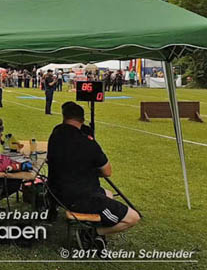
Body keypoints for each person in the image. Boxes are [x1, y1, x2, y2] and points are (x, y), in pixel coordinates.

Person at [48, 102, 140, 247]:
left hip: (56, 192)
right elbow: (107, 172)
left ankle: (95, 231)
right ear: (82, 120)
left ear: (64, 117)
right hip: (78, 197)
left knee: (108, 193)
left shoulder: (56, 134)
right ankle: (94, 233)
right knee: (133, 218)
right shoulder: (88, 144)